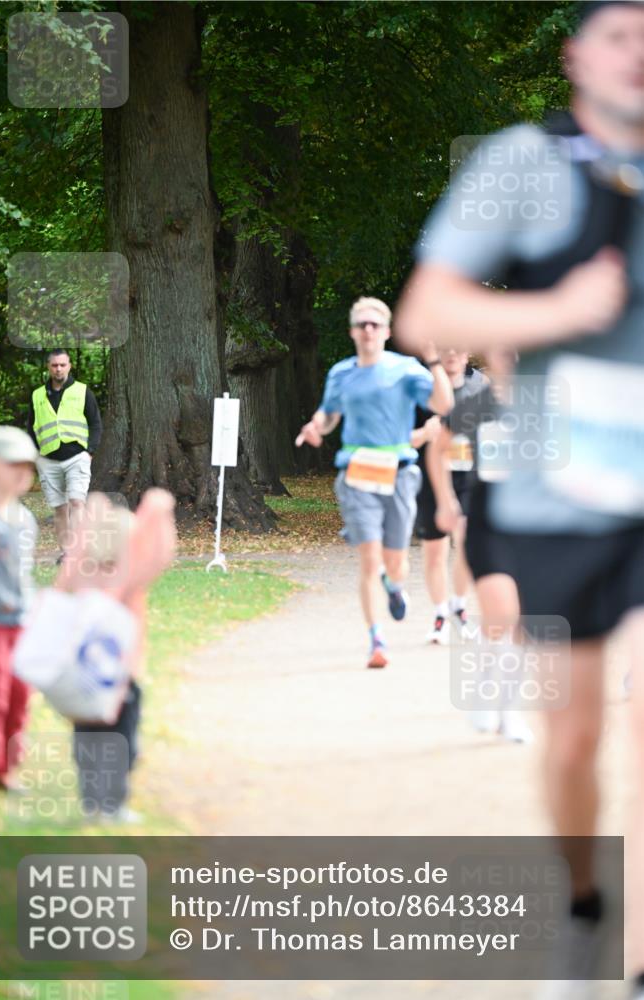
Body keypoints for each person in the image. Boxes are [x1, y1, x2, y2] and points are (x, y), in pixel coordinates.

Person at [395, 2, 644, 995]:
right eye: (620, 35)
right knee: (575, 730)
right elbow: (426, 309)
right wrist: (561, 310)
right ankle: (581, 908)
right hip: (560, 497)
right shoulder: (521, 163)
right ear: (575, 55)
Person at [295, 296, 452, 669]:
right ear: (352, 331)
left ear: (386, 332)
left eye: (375, 325)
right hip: (357, 472)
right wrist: (317, 425)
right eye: (362, 324)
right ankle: (376, 640)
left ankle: (394, 585)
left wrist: (433, 361)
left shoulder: (405, 369)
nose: (368, 330)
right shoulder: (341, 373)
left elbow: (444, 405)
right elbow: (330, 414)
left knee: (395, 562)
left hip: (398, 472)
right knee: (369, 559)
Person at [15, 488, 177, 823]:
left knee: (90, 740)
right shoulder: (126, 575)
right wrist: (158, 513)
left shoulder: (87, 571)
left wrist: (91, 522)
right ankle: (110, 804)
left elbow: (68, 574)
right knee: (122, 741)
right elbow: (158, 556)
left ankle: (96, 802)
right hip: (120, 675)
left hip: (84, 675)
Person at [427, 353, 534, 743]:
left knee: (523, 624)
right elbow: (437, 448)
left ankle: (509, 712)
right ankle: (488, 693)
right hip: (486, 521)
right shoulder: (478, 404)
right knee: (500, 615)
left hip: (534, 527)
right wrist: (445, 501)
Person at [412, 348, 488, 645]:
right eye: (446, 348)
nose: (452, 354)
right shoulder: (422, 385)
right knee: (435, 551)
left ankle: (459, 606)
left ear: (469, 352)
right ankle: (440, 615)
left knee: (468, 542)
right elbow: (408, 434)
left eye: (458, 348)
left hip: (470, 477)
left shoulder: (480, 384)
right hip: (431, 477)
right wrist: (424, 433)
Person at [0, 426, 38, 796]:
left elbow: (24, 572)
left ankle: (7, 769)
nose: (21, 472)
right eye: (11, 463)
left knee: (19, 694)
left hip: (21, 622)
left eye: (27, 465)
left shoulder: (26, 520)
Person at [27, 348, 102, 558]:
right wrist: (35, 456)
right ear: (48, 367)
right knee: (60, 509)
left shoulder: (82, 391)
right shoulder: (37, 395)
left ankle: (78, 552)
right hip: (48, 460)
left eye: (62, 365)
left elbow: (96, 423)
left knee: (77, 502)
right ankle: (66, 553)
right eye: (54, 365)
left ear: (69, 366)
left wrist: (90, 452)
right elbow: (31, 427)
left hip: (77, 457)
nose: (58, 369)